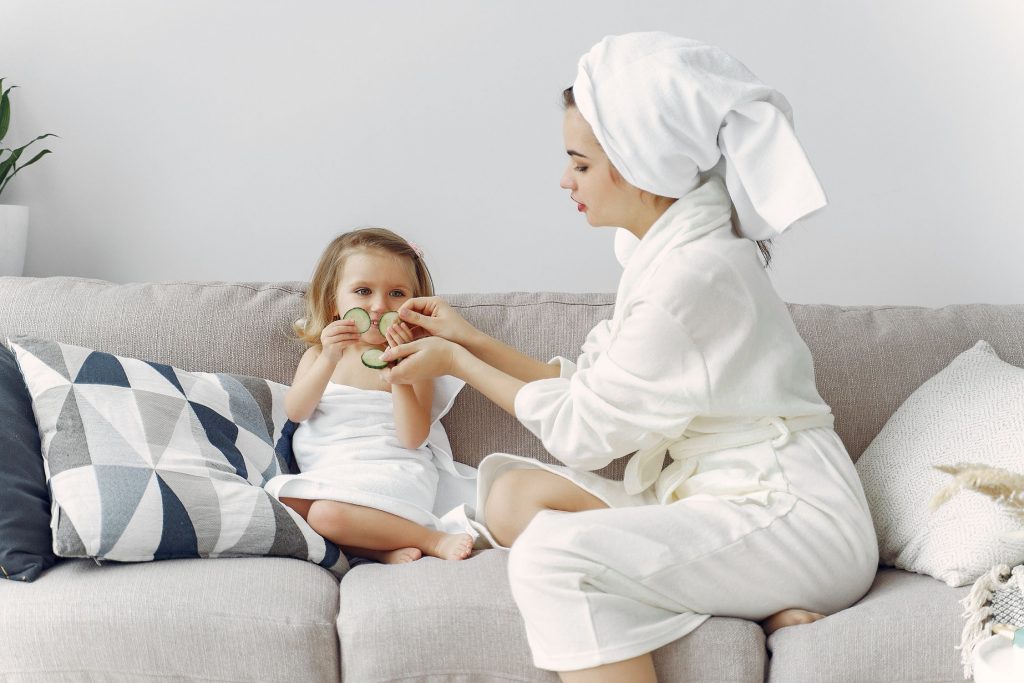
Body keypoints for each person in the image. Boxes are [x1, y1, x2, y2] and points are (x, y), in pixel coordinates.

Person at [379, 32, 878, 682]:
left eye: (580, 163)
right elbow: (594, 390)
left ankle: (762, 586)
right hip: (714, 493)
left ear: (640, 165)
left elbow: (583, 434)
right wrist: (467, 337)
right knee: (508, 496)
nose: (566, 179)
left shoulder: (691, 277)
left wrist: (457, 362)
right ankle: (746, 600)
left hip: (794, 522)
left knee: (549, 559)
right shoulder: (670, 251)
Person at [264, 227, 475, 564]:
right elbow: (296, 411)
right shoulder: (320, 355)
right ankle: (381, 550)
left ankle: (432, 539)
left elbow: (412, 437)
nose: (378, 306)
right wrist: (330, 358)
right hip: (332, 473)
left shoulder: (416, 362)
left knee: (325, 517)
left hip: (390, 473)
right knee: (285, 503)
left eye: (396, 293)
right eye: (363, 291)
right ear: (334, 302)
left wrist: (400, 375)